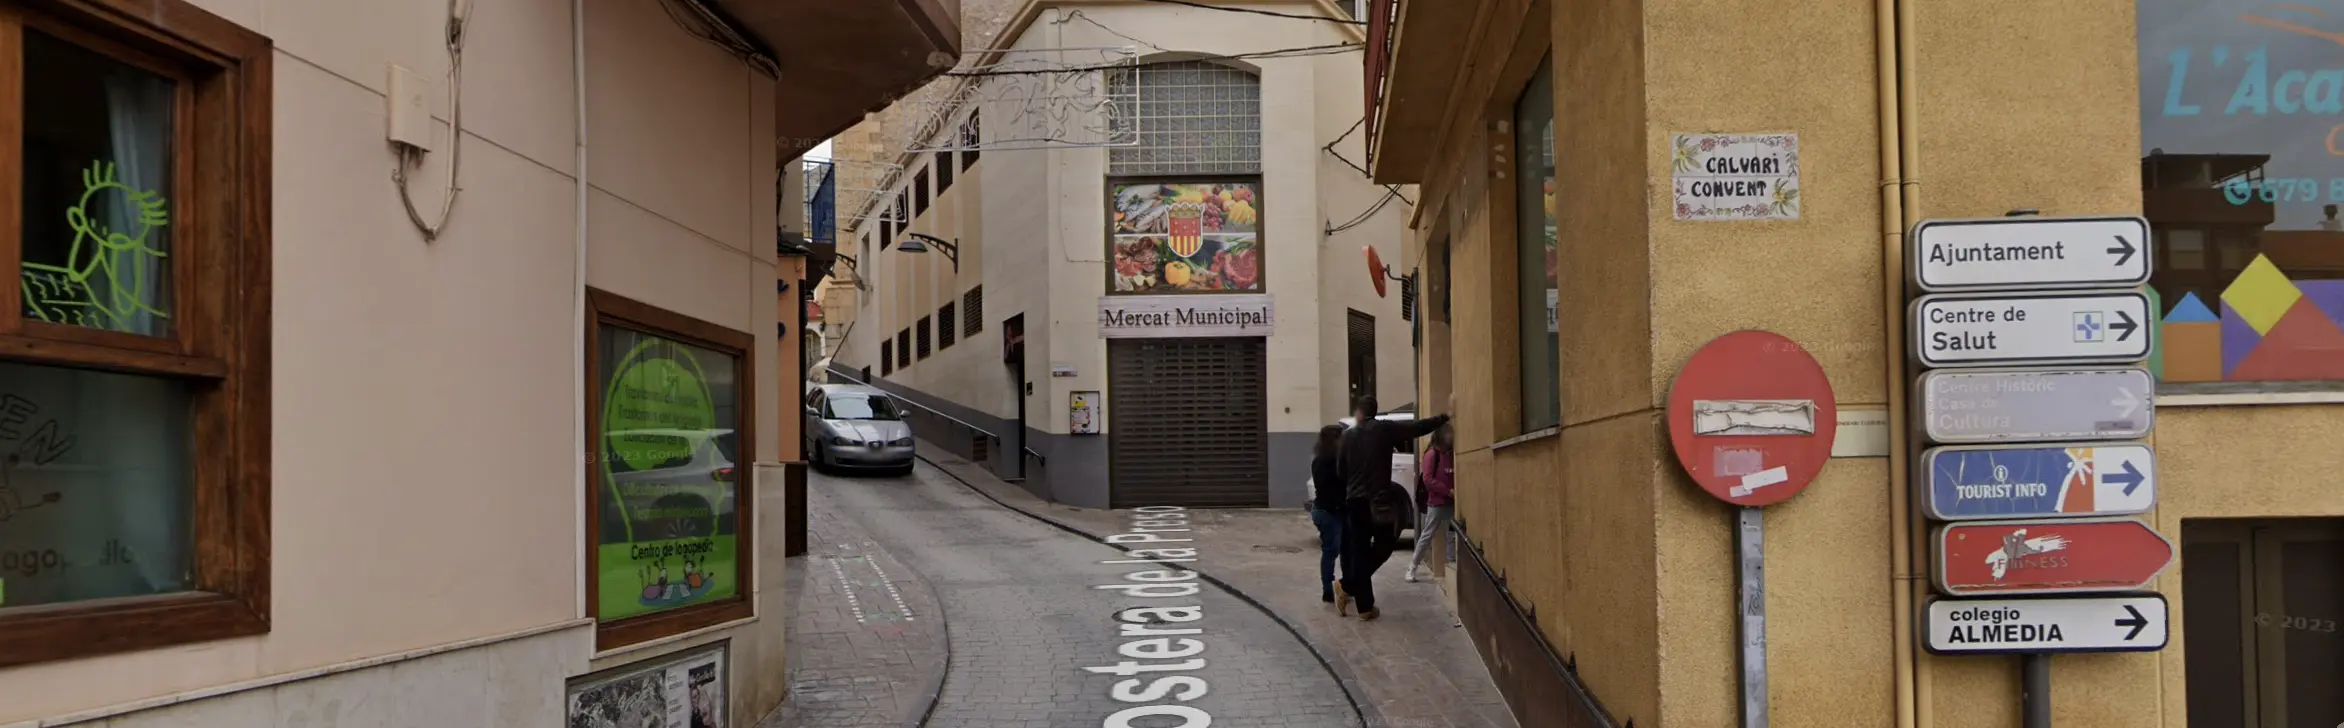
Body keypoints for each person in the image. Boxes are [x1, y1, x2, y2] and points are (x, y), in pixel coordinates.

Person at [1334, 395, 1450, 620]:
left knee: (1360, 551)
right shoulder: (1384, 430)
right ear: (1375, 412)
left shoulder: (1346, 437)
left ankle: (1350, 589)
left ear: (1359, 413)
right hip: (1378, 502)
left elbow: (1340, 471)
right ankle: (1363, 607)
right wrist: (1443, 417)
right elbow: (1417, 427)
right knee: (1384, 545)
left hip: (1356, 502)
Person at [1404, 422, 1456, 582]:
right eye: (1447, 433)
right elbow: (1427, 480)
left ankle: (1452, 564)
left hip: (1452, 502)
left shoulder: (1451, 454)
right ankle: (1412, 567)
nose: (1451, 436)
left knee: (1452, 534)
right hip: (1437, 502)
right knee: (1427, 534)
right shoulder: (1432, 454)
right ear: (1440, 435)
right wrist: (1448, 491)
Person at [1308, 425, 1347, 603]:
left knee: (1332, 550)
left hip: (1322, 510)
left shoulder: (1319, 459)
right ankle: (1333, 589)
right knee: (1334, 550)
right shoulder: (1332, 461)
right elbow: (1334, 489)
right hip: (1330, 511)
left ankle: (1331, 589)